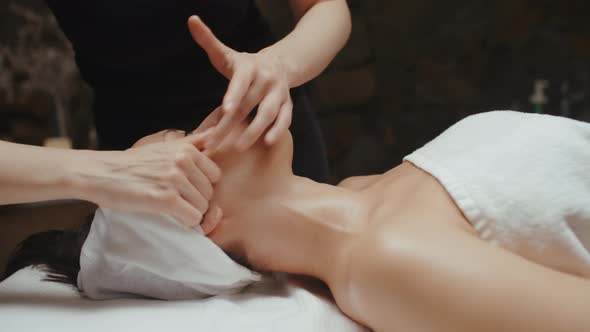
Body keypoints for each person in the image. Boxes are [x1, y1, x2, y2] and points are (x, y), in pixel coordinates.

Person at [5, 110, 590, 332]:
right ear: (203, 223)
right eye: (188, 146)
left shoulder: (368, 191)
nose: (216, 113)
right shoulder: (384, 260)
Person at [42, 0, 352, 182]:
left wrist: (280, 64)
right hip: (135, 153)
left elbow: (325, 6)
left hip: (257, 116)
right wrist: (98, 174)